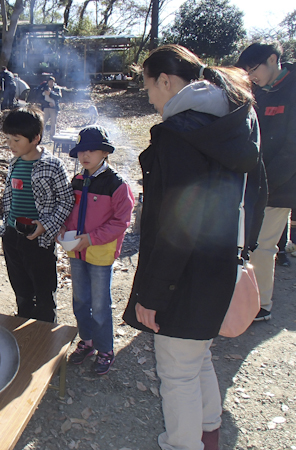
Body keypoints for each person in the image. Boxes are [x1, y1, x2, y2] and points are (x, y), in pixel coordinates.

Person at [122, 44, 265, 450]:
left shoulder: (181, 134)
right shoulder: (236, 122)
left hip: (185, 275)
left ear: (166, 81)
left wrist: (152, 293)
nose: (149, 98)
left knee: (177, 371)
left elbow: (177, 227)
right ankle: (209, 429)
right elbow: (259, 191)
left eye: (149, 87)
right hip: (222, 264)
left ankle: (182, 443)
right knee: (197, 354)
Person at [58, 126, 134, 375]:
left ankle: (105, 350)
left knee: (100, 305)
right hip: (76, 252)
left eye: (91, 150)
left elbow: (121, 223)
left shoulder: (116, 184)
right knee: (80, 300)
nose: (85, 155)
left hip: (99, 253)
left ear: (104, 152)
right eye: (81, 150)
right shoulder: (78, 180)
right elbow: (69, 210)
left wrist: (90, 238)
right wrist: (63, 230)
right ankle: (87, 341)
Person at [236, 42, 296, 321]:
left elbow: (291, 150)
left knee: (263, 246)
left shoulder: (292, 88)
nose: (250, 76)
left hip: (280, 185)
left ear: (273, 59)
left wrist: (266, 184)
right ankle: (249, 297)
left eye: (253, 68)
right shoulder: (257, 91)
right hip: (254, 181)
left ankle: (262, 305)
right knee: (253, 242)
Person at [0, 106, 74, 322]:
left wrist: (46, 226)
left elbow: (67, 199)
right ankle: (25, 328)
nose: (11, 145)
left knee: (43, 291)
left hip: (39, 240)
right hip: (13, 236)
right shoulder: (15, 162)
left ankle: (45, 339)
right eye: (8, 139)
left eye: (16, 140)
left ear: (35, 138)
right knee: (21, 289)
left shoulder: (52, 165)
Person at [39, 76, 62, 141]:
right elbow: (40, 98)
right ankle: (41, 137)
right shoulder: (44, 88)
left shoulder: (57, 89)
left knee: (53, 123)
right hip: (46, 108)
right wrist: (47, 104)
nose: (51, 83)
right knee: (43, 123)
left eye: (52, 82)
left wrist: (51, 93)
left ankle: (52, 138)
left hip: (54, 108)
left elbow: (58, 97)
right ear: (47, 82)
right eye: (49, 82)